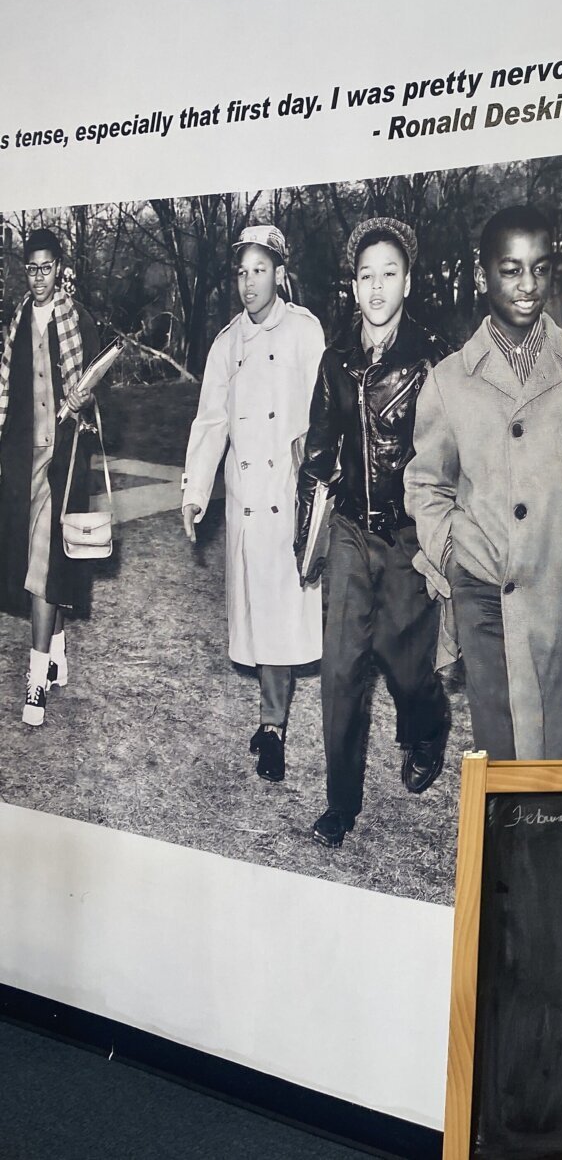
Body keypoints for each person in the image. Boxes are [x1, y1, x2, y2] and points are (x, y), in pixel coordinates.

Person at [407, 205, 562, 760]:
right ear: (482, 274)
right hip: (485, 598)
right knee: (503, 760)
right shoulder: (449, 380)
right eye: (511, 270)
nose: (528, 285)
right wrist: (454, 553)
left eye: (541, 268)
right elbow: (426, 484)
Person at [295, 217, 452, 849]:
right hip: (350, 534)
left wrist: (444, 543)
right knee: (341, 671)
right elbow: (316, 452)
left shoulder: (433, 358)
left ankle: (427, 726)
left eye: (390, 273)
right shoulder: (335, 358)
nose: (378, 286)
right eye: (366, 275)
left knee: (407, 667)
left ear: (407, 282)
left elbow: (452, 459)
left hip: (410, 537)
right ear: (353, 285)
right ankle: (340, 804)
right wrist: (306, 535)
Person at [181, 225, 325, 779]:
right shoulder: (226, 344)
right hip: (246, 498)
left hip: (288, 496)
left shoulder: (305, 332)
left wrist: (316, 479)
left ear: (279, 274)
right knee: (260, 615)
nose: (249, 283)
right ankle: (271, 723)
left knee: (281, 616)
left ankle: (273, 726)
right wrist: (196, 492)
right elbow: (210, 423)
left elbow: (324, 412)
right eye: (242, 272)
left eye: (259, 270)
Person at [0, 229, 100, 726]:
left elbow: (100, 393)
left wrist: (86, 398)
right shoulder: (17, 323)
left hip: (64, 460)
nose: (39, 277)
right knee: (40, 561)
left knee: (44, 560)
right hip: (24, 461)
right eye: (31, 268)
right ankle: (57, 650)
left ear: (59, 267)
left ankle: (36, 679)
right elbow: (5, 392)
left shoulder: (79, 320)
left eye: (47, 267)